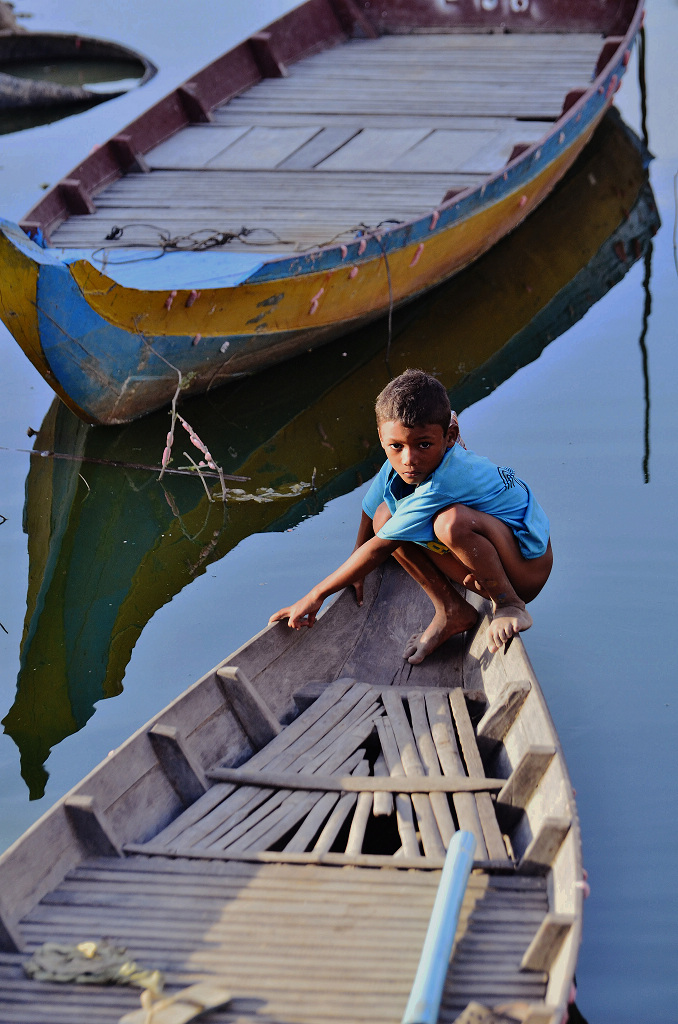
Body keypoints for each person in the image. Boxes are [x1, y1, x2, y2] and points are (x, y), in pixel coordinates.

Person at [269, 368, 552, 661]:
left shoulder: (445, 481)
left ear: (450, 436)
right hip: (492, 554)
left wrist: (316, 595)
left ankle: (509, 605)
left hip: (527, 569)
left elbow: (381, 549)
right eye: (396, 446)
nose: (409, 460)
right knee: (384, 517)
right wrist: (355, 568)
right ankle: (451, 609)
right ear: (382, 437)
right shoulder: (402, 460)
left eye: (424, 445)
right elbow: (370, 510)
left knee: (449, 523)